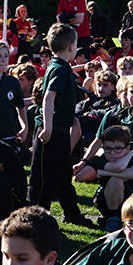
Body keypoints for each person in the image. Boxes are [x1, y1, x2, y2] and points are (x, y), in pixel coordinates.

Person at [29, 24, 85, 224]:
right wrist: (48, 127)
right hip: (51, 131)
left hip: (60, 130)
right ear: (71, 46)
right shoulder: (59, 70)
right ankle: (35, 217)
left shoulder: (60, 66)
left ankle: (72, 213)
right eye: (76, 44)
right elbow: (48, 98)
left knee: (63, 174)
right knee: (43, 178)